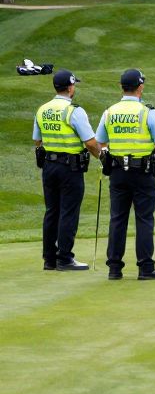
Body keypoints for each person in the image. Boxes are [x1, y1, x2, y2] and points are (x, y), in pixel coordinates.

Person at [97, 69, 155, 280]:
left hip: (118, 172)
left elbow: (100, 142)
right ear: (140, 87)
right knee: (144, 219)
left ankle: (114, 268)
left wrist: (109, 155)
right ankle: (146, 268)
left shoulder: (110, 112)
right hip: (143, 172)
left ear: (121, 87)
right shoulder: (146, 112)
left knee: (117, 219)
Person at [32, 69, 101, 271]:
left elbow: (38, 140)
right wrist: (102, 157)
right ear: (70, 87)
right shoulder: (74, 111)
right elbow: (90, 142)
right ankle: (65, 258)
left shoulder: (42, 109)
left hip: (49, 166)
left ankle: (49, 259)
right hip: (70, 168)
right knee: (68, 212)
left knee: (52, 211)